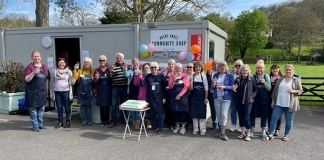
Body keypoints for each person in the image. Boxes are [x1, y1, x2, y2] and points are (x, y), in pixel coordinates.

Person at [264, 64, 303, 141]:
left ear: (293, 71)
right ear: (284, 70)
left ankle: (286, 135)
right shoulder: (279, 80)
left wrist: (293, 91)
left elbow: (300, 91)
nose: (288, 71)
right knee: (274, 118)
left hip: (290, 105)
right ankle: (271, 133)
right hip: (279, 104)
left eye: (290, 70)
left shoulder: (296, 80)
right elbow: (274, 92)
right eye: (287, 70)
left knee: (289, 120)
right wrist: (273, 101)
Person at [24, 51, 49, 132]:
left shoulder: (44, 67)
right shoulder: (29, 67)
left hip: (42, 92)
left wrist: (47, 90)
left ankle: (41, 125)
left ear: (40, 57)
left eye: (38, 56)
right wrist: (33, 73)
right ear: (32, 57)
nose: (36, 58)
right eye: (35, 56)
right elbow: (26, 79)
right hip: (32, 93)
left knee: (41, 110)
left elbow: (46, 80)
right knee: (33, 111)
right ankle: (35, 126)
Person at [232, 64, 257, 141]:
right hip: (239, 101)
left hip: (248, 102)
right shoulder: (238, 79)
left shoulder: (251, 79)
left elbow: (255, 90)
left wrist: (252, 96)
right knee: (241, 117)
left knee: (246, 118)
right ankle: (242, 133)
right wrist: (234, 90)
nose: (245, 72)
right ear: (241, 71)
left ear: (248, 71)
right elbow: (234, 90)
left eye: (246, 70)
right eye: (243, 70)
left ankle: (248, 134)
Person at [140, 62, 166, 134]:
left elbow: (164, 88)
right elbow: (142, 84)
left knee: (160, 114)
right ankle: (154, 126)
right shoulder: (148, 76)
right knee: (151, 113)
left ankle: (161, 128)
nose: (153, 69)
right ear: (150, 69)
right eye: (152, 67)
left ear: (157, 68)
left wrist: (164, 97)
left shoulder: (161, 76)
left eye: (155, 67)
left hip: (159, 97)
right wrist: (140, 78)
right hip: (150, 97)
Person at [212, 61, 234, 141]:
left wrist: (224, 87)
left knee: (224, 115)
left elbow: (232, 86)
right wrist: (213, 84)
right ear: (218, 68)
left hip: (226, 98)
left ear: (226, 67)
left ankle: (223, 133)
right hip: (217, 97)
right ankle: (221, 131)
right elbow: (212, 88)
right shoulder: (215, 75)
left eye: (224, 66)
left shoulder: (229, 75)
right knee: (219, 115)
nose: (223, 68)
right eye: (221, 66)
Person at [250, 60, 271, 138]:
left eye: (261, 68)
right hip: (255, 99)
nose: (259, 69)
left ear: (263, 68)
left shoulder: (266, 76)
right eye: (258, 68)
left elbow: (269, 88)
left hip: (264, 99)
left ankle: (263, 131)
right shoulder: (252, 77)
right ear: (256, 68)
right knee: (252, 115)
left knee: (264, 115)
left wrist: (264, 82)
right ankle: (252, 130)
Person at [50, 58, 73, 129]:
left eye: (62, 62)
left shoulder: (69, 72)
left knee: (67, 107)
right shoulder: (54, 71)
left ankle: (68, 121)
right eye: (59, 62)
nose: (61, 64)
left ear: (65, 63)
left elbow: (71, 82)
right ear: (57, 63)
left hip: (66, 91)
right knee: (59, 107)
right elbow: (51, 82)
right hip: (57, 91)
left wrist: (73, 82)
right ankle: (60, 122)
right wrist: (51, 92)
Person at [108, 53, 129, 128]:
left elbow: (129, 75)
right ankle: (114, 121)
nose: (119, 59)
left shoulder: (126, 66)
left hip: (124, 87)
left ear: (123, 59)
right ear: (116, 59)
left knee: (124, 104)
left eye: (120, 58)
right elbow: (110, 76)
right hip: (115, 87)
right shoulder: (113, 66)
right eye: (118, 58)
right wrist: (110, 70)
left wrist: (127, 68)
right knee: (114, 105)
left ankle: (123, 119)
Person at [168, 63, 189, 134]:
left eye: (179, 68)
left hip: (182, 97)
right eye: (177, 68)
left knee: (182, 112)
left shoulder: (185, 76)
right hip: (174, 97)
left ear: (182, 69)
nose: (178, 70)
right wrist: (173, 79)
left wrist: (179, 95)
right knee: (175, 112)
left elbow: (186, 87)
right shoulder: (171, 76)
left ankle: (183, 127)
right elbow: (170, 87)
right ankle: (177, 126)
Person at [188, 62, 208, 136]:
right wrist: (190, 82)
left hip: (202, 97)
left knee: (202, 114)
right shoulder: (192, 76)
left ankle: (203, 129)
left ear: (201, 68)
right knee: (194, 114)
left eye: (199, 67)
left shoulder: (204, 76)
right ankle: (196, 129)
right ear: (194, 68)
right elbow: (190, 89)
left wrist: (206, 97)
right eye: (196, 67)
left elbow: (206, 88)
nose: (198, 68)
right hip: (193, 98)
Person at [72, 57, 94, 126]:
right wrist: (75, 70)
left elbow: (94, 82)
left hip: (89, 92)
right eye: (85, 62)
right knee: (83, 107)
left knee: (89, 107)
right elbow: (75, 78)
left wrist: (95, 90)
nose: (86, 63)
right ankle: (84, 120)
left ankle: (90, 120)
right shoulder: (80, 71)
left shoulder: (92, 71)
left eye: (87, 62)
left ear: (90, 63)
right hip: (81, 92)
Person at [93, 55, 112, 127]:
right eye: (100, 60)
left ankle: (107, 120)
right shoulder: (96, 70)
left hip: (108, 89)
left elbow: (112, 79)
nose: (102, 62)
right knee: (101, 106)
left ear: (106, 61)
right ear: (99, 61)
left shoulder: (109, 69)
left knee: (107, 106)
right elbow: (94, 83)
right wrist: (96, 79)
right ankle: (102, 121)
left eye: (103, 60)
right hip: (100, 90)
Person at [123, 57, 141, 130]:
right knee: (133, 106)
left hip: (140, 91)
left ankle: (138, 121)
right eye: (134, 63)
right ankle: (134, 121)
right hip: (132, 90)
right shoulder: (131, 71)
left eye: (136, 63)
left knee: (139, 106)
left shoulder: (141, 71)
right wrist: (125, 68)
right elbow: (126, 75)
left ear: (139, 64)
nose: (135, 64)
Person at [133, 63, 151, 129]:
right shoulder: (141, 75)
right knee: (139, 111)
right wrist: (136, 76)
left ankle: (149, 122)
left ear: (149, 68)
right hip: (142, 95)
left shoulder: (151, 75)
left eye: (147, 68)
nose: (146, 69)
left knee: (148, 110)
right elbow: (135, 83)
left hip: (149, 96)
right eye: (145, 68)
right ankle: (138, 123)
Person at [268, 64, 283, 136]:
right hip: (269, 98)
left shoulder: (281, 78)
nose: (275, 70)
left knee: (278, 114)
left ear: (278, 69)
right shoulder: (268, 77)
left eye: (276, 69)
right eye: (273, 69)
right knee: (270, 114)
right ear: (271, 70)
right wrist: (269, 82)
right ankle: (270, 128)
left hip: (278, 98)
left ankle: (277, 129)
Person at [229, 59, 243, 133]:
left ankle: (241, 125)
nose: (237, 67)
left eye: (239, 65)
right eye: (236, 65)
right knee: (233, 110)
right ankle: (233, 124)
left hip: (241, 95)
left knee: (240, 111)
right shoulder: (232, 75)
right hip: (233, 94)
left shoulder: (244, 74)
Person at [162, 59, 176, 130]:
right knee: (167, 109)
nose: (171, 65)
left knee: (173, 109)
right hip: (166, 94)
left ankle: (173, 124)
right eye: (170, 64)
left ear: (174, 65)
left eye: (172, 64)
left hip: (174, 93)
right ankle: (167, 123)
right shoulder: (165, 73)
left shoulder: (177, 73)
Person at [206, 60, 219, 129]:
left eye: (217, 64)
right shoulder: (209, 72)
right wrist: (209, 74)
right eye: (214, 64)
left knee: (219, 109)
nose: (216, 65)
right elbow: (207, 82)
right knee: (212, 108)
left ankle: (220, 123)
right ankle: (214, 122)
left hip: (219, 93)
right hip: (211, 93)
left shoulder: (221, 72)